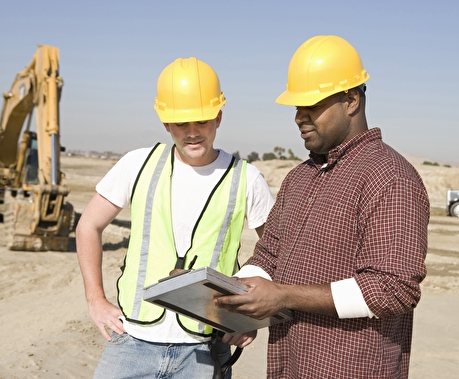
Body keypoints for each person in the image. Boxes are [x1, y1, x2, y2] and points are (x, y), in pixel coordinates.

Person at [214, 35, 430, 378]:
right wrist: (232, 298)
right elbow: (269, 255)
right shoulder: (299, 178)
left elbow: (393, 289)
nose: (299, 117)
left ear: (351, 100)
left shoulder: (390, 178)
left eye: (311, 105)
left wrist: (283, 296)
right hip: (291, 365)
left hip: (352, 368)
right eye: (296, 107)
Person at [76, 56, 274, 379]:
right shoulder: (137, 165)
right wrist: (95, 300)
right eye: (181, 123)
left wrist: (249, 319)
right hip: (132, 343)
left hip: (204, 349)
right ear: (166, 123)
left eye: (202, 121)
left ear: (218, 118)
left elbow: (278, 254)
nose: (192, 133)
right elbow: (88, 226)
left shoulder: (247, 179)